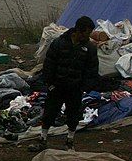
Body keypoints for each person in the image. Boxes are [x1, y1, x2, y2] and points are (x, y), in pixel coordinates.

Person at [36, 16, 99, 152]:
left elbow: (92, 70)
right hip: (57, 87)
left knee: (73, 115)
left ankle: (70, 141)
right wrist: (50, 84)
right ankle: (43, 139)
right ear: (79, 31)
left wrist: (84, 88)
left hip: (75, 88)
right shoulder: (59, 43)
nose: (88, 36)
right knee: (50, 113)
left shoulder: (89, 49)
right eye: (87, 33)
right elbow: (49, 65)